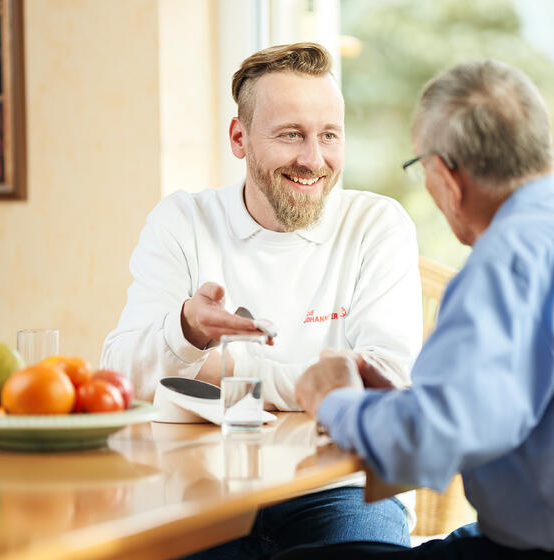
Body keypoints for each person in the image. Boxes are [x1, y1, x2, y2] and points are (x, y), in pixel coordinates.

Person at [289, 59, 554, 560]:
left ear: (444, 176)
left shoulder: (506, 263)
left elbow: (429, 448)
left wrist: (333, 400)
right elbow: (507, 413)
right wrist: (408, 404)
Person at [101, 43, 422, 557]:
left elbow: (385, 384)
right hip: (205, 493)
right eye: (291, 134)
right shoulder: (182, 221)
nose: (313, 159)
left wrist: (228, 372)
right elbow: (119, 377)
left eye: (329, 136)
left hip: (340, 493)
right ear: (239, 138)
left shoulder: (376, 226)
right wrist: (186, 329)